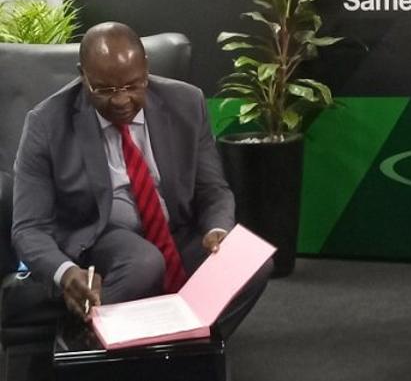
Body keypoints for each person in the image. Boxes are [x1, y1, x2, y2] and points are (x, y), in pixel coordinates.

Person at [12, 22, 271, 337]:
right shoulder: (46, 124)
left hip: (176, 231)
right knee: (144, 263)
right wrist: (65, 273)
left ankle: (192, 343)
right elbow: (28, 227)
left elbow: (213, 189)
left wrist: (217, 229)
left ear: (146, 68)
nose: (121, 100)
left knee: (250, 264)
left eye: (132, 85)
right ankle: (92, 340)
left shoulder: (187, 103)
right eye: (105, 89)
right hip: (100, 238)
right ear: (82, 75)